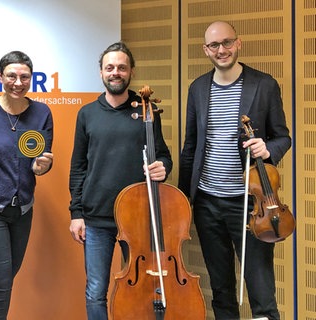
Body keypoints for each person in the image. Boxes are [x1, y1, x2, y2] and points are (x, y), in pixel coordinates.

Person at [178, 21, 291, 320]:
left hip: (252, 205)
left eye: (227, 42)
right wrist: (183, 200)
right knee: (222, 290)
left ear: (238, 44)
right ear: (206, 50)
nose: (221, 49)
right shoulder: (198, 88)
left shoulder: (263, 84)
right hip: (207, 203)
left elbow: (283, 136)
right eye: (214, 45)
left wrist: (269, 150)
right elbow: (190, 147)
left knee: (261, 290)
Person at [68, 41, 172, 319]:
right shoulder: (87, 114)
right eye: (110, 67)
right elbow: (78, 167)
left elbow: (163, 155)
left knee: (141, 286)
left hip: (139, 216)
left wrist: (163, 167)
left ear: (131, 72)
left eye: (122, 68)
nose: (116, 72)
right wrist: (76, 213)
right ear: (101, 72)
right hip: (96, 216)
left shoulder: (146, 111)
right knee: (95, 290)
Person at [0, 50, 54, 319]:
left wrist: (43, 166)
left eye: (24, 77)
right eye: (11, 76)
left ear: (32, 79)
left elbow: (41, 159)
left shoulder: (42, 112)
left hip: (22, 211)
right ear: (0, 77)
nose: (18, 82)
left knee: (5, 281)